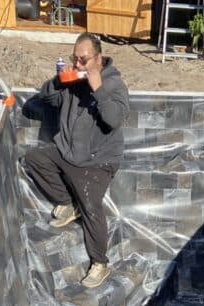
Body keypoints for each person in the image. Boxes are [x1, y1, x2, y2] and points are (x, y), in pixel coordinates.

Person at [23, 33, 130, 289]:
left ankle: (100, 263)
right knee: (33, 159)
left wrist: (98, 89)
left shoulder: (114, 84)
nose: (79, 64)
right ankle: (66, 203)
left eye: (83, 59)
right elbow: (47, 98)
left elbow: (114, 119)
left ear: (98, 59)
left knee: (91, 203)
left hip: (98, 160)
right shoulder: (74, 81)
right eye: (75, 58)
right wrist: (59, 79)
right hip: (68, 151)